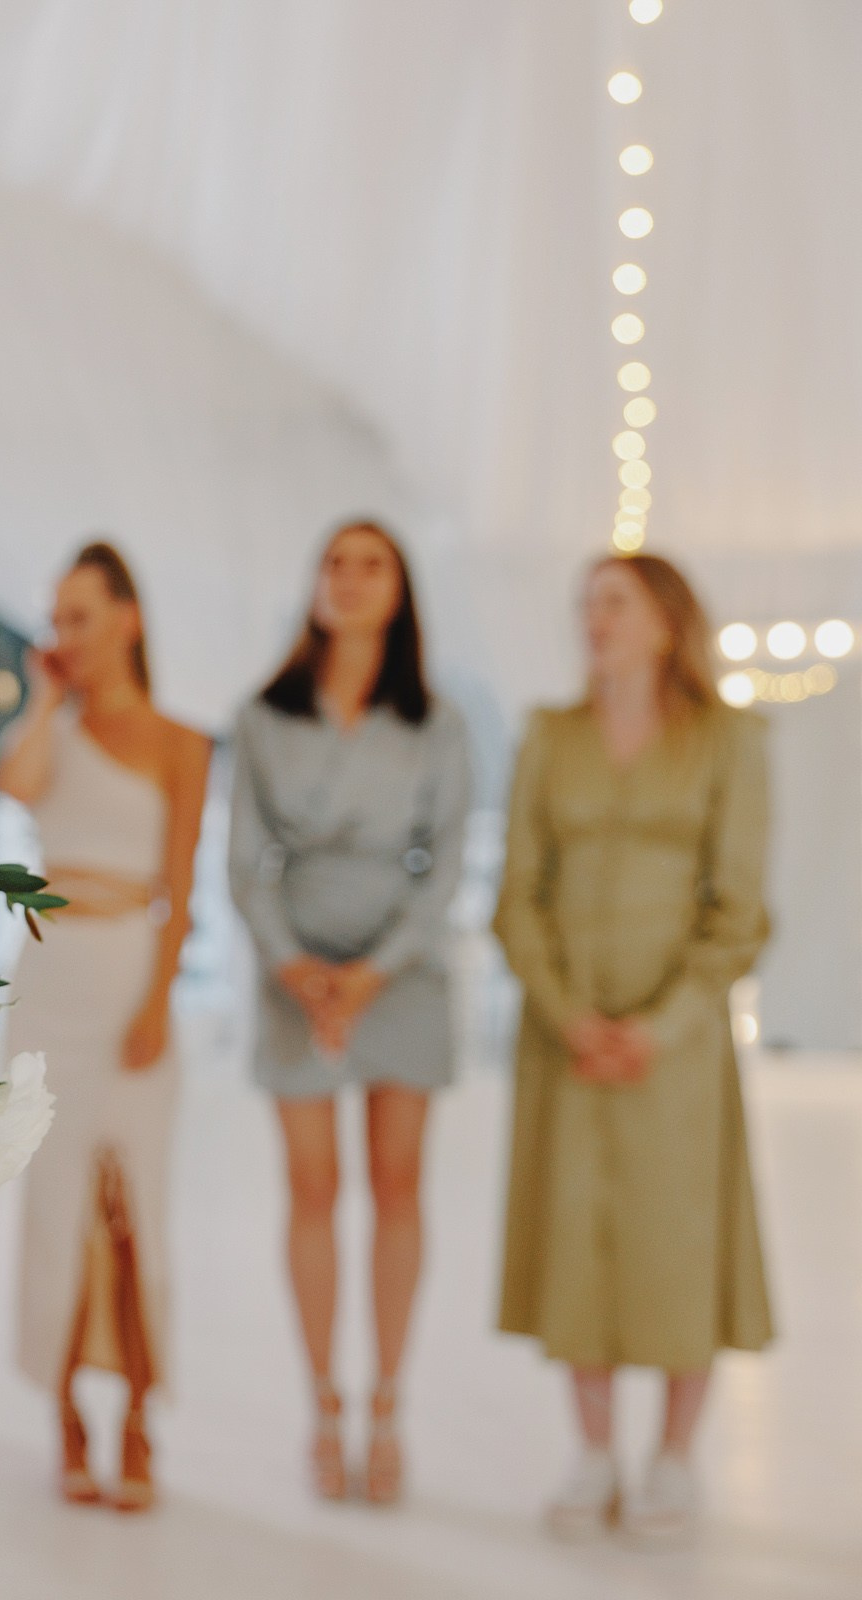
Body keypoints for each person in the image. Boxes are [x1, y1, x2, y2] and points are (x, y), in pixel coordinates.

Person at [493, 552, 772, 1544]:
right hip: (564, 1037)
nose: (592, 620)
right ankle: (594, 1447)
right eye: (584, 604)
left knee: (678, 1240)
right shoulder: (549, 735)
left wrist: (658, 1025)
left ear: (666, 620)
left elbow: (739, 910)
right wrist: (570, 1013)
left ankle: (674, 1455)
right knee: (579, 1236)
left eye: (612, 602)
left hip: (680, 1048)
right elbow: (517, 892)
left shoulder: (730, 741)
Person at [225, 519, 472, 1506]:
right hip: (296, 962)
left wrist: (374, 970)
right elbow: (244, 862)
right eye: (334, 562)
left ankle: (389, 1405)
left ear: (401, 590)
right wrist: (297, 967)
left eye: (372, 565)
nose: (350, 579)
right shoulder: (262, 716)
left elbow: (446, 863)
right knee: (314, 1188)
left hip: (401, 967)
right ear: (313, 584)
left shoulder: (437, 723)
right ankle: (323, 1402)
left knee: (400, 1184)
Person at [0, 543, 209, 1513]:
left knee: (135, 1207)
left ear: (129, 618)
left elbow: (184, 888)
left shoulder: (180, 742)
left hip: (130, 977)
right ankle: (68, 1419)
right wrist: (44, 697)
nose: (65, 637)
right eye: (56, 620)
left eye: (82, 617)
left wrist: (159, 1000)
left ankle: (138, 1417)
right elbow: (17, 788)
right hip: (48, 981)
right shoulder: (56, 730)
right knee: (54, 1205)